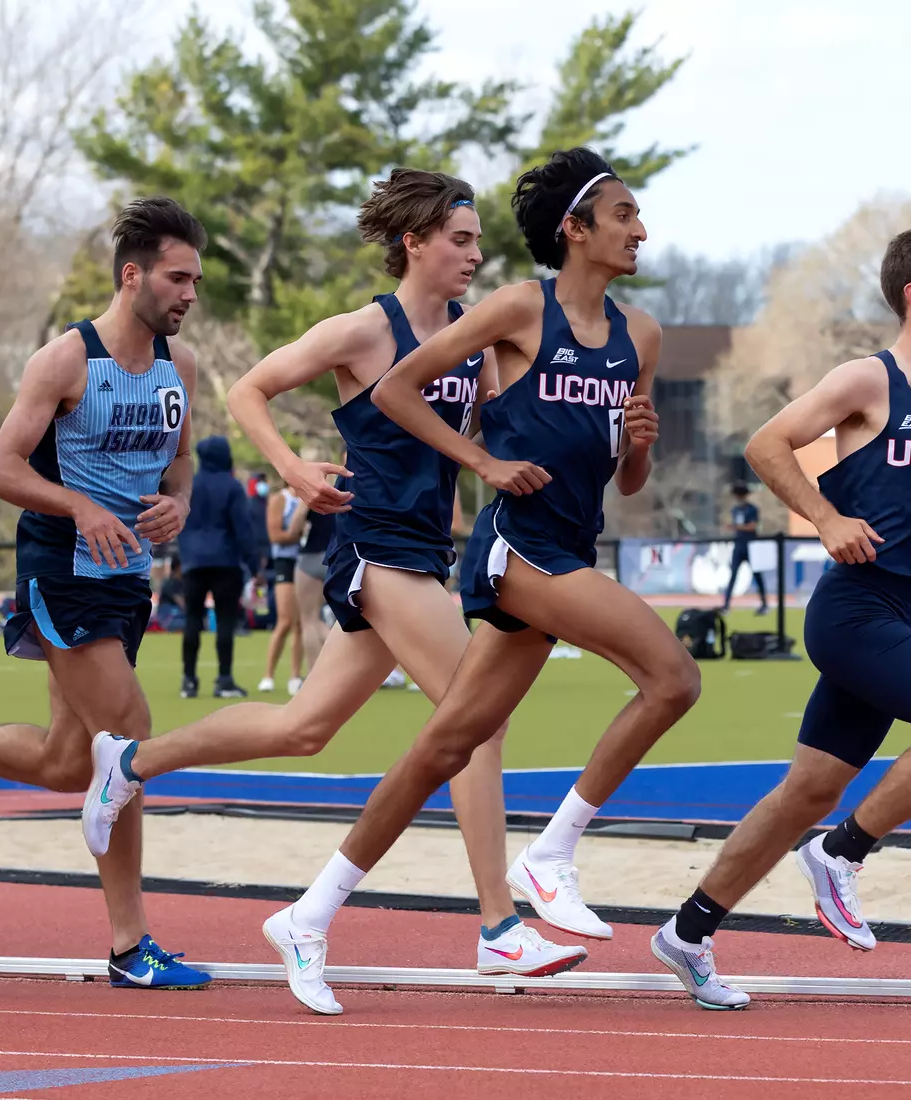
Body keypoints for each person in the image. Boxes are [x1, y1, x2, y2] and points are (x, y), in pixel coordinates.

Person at [83, 168, 590, 992]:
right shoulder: (363, 331)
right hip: (373, 545)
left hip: (425, 550)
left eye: (477, 242)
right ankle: (499, 923)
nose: (474, 254)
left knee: (303, 727)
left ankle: (131, 763)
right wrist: (291, 469)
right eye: (459, 240)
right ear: (414, 243)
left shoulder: (472, 336)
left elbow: (495, 430)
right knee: (476, 722)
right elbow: (249, 389)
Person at [243, 148, 699, 1015]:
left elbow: (629, 480)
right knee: (673, 676)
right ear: (575, 229)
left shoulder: (644, 336)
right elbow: (396, 393)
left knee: (445, 746)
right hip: (516, 550)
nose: (642, 230)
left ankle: (309, 915)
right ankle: (549, 858)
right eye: (626, 215)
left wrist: (639, 438)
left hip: (573, 539)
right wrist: (482, 459)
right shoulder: (517, 307)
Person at [650, 225, 911, 1010]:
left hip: (903, 613)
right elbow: (768, 445)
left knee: (804, 792)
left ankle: (687, 933)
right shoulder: (869, 380)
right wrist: (826, 519)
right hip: (854, 612)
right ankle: (842, 853)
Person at [0, 197, 211, 990]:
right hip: (62, 573)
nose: (188, 294)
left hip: (127, 581)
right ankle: (128, 946)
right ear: (132, 275)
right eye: (178, 279)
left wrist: (177, 501)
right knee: (128, 739)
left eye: (196, 281)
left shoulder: (180, 369)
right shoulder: (64, 361)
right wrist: (79, 504)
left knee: (63, 760)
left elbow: (183, 464)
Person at [177, 434, 264, 698]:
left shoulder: (188, 485)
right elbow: (243, 530)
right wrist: (254, 564)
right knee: (226, 620)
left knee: (193, 619)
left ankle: (189, 680)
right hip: (226, 561)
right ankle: (224, 679)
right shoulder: (232, 486)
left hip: (193, 561)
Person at [259, 485, 308, 694]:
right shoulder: (281, 499)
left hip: (306, 563)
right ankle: (268, 675)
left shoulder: (311, 498)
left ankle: (295, 677)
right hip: (285, 563)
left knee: (301, 623)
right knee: (285, 620)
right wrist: (301, 535)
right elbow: (275, 535)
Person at [293, 496, 334, 673]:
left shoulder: (310, 494)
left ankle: (314, 672)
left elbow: (293, 529)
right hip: (334, 557)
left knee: (308, 620)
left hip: (310, 557)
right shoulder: (345, 491)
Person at [720, 483, 767, 615]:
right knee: (733, 575)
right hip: (739, 545)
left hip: (751, 545)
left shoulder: (752, 509)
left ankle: (764, 604)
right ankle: (726, 605)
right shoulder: (735, 510)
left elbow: (752, 526)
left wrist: (736, 527)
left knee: (757, 576)